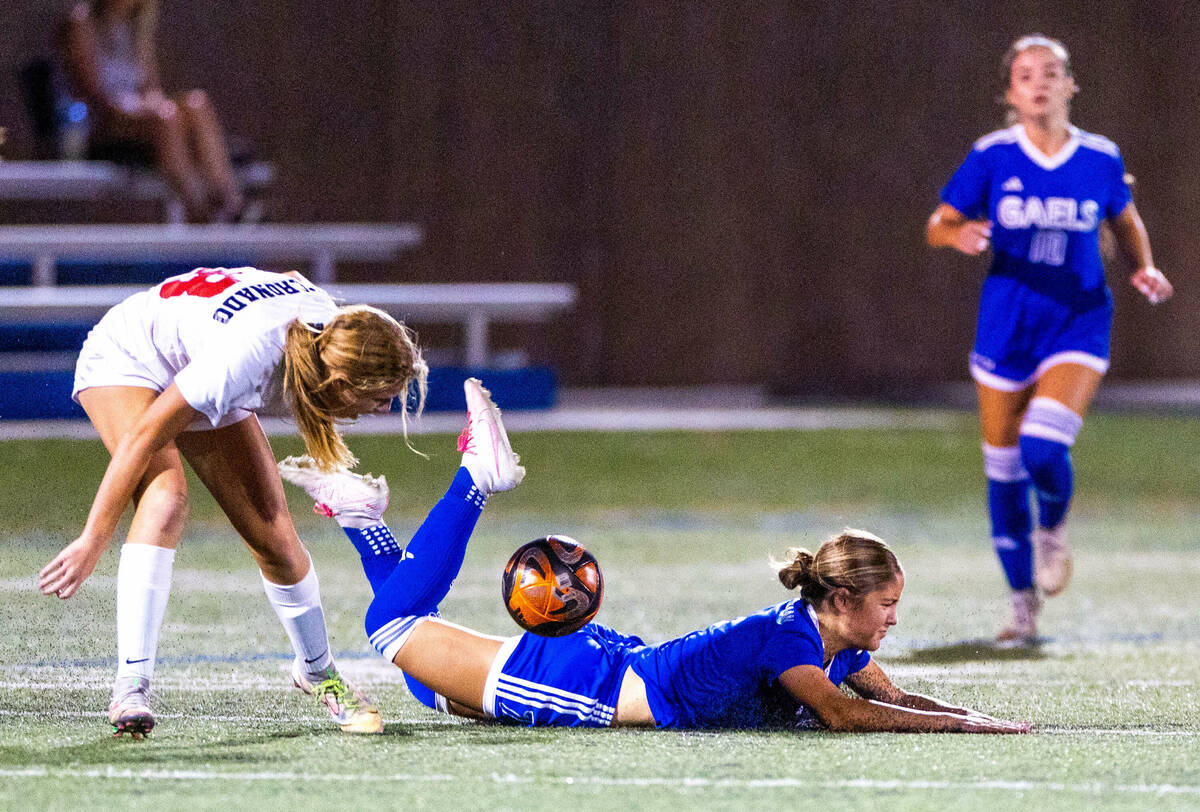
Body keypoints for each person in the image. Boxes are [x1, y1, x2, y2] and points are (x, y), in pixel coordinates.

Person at [277, 379, 1029, 733]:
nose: (894, 618)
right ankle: (476, 479)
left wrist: (971, 713)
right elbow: (839, 715)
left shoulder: (834, 641)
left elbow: (886, 700)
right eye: (886, 603)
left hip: (612, 662)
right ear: (840, 601)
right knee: (395, 629)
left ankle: (359, 516)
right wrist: (961, 729)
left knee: (424, 685)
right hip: (597, 688)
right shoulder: (792, 640)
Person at [37, 265, 428, 738]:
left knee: (273, 534)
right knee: (166, 498)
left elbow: (287, 275)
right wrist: (92, 539)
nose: (383, 409)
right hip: (128, 355)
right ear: (341, 382)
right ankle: (130, 684)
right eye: (380, 397)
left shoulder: (329, 332)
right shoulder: (248, 359)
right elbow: (142, 437)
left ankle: (319, 672)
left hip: (193, 357)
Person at [925, 34, 1174, 644]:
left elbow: (1125, 216)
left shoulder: (1100, 157)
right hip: (1008, 325)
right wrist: (954, 236)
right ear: (1011, 92)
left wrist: (1144, 263)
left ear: (1070, 85)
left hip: (1078, 320)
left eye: (1051, 72)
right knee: (1004, 471)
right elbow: (939, 222)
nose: (1039, 82)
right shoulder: (991, 155)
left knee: (1041, 448)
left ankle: (1054, 529)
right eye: (1026, 75)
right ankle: (1021, 606)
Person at [58, 0, 247, 222]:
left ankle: (230, 203)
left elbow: (150, 87)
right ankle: (198, 212)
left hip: (145, 119)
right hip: (105, 126)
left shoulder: (138, 26)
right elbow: (91, 94)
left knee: (196, 104)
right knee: (165, 118)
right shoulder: (83, 21)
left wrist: (151, 104)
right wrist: (138, 110)